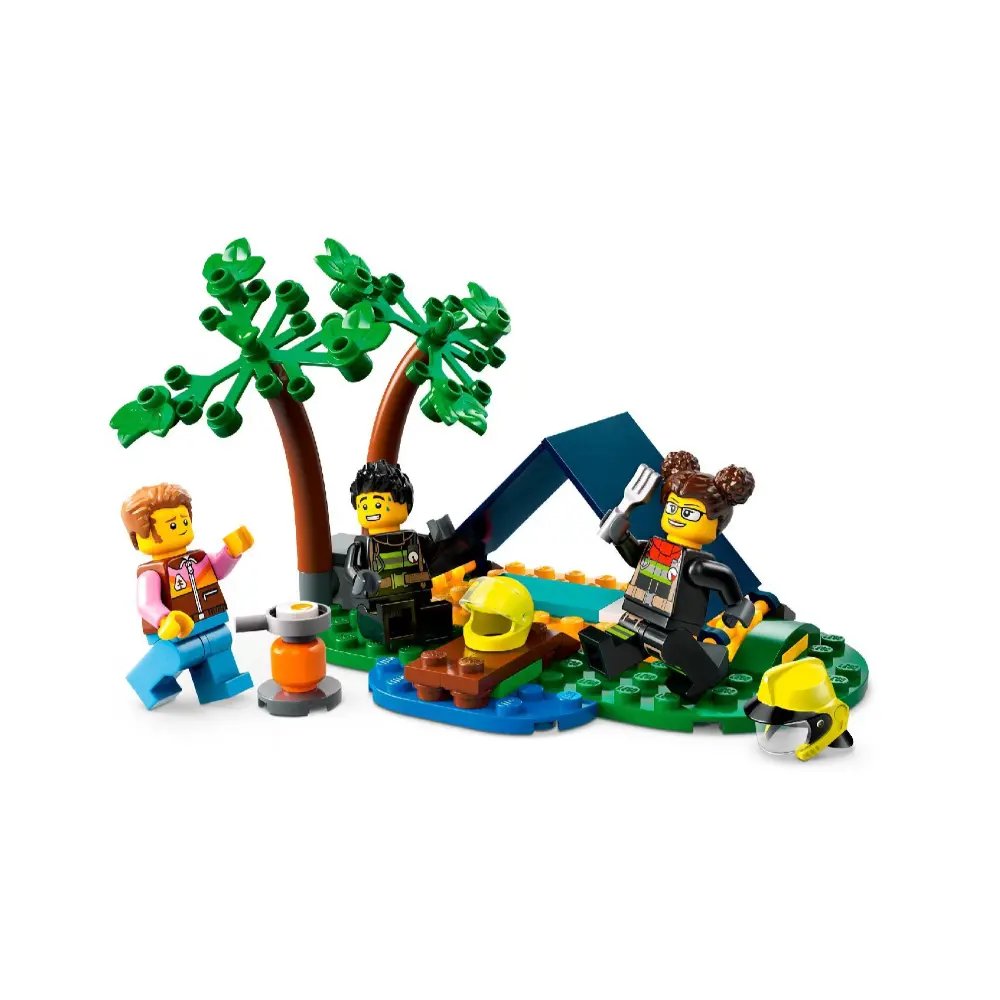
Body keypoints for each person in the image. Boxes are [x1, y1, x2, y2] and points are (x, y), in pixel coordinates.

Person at [579, 451, 757, 700]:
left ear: (716, 523)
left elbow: (724, 577)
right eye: (672, 507)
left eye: (689, 513)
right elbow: (635, 556)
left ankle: (703, 674)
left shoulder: (698, 565)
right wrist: (621, 537)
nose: (676, 516)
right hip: (637, 615)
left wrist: (737, 606)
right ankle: (608, 660)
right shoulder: (656, 548)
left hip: (673, 629)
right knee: (617, 638)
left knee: (672, 647)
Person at [122, 483, 254, 709]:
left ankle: (219, 682)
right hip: (175, 629)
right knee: (177, 655)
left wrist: (231, 552)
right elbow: (146, 603)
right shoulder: (152, 573)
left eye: (185, 522)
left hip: (210, 620)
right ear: (139, 537)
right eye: (172, 525)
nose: (182, 528)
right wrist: (164, 618)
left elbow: (217, 569)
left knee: (220, 642)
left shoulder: (198, 558)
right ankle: (147, 684)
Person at [346, 460, 456, 647]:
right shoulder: (362, 545)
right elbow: (351, 567)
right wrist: (360, 577)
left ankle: (428, 632)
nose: (371, 511)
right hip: (382, 601)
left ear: (404, 503)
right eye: (364, 506)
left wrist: (441, 537)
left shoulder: (413, 539)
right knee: (387, 624)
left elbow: (433, 552)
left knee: (435, 618)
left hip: (418, 594)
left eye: (378, 504)